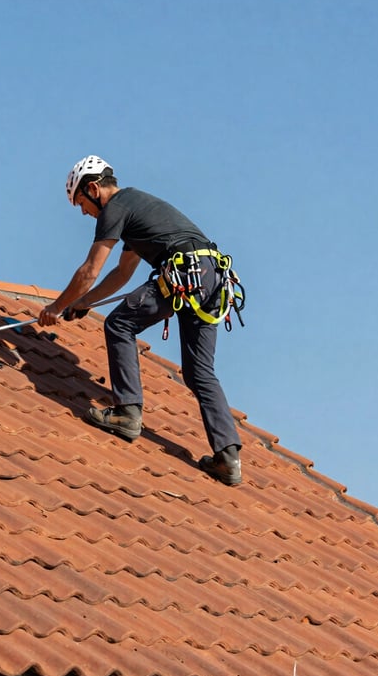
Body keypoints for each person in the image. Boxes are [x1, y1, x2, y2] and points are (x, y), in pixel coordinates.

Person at [38, 155, 242, 486]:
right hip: (212, 277)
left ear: (93, 189)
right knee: (199, 371)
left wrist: (57, 307)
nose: (83, 212)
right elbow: (122, 273)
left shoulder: (115, 207)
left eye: (81, 203)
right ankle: (228, 457)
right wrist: (83, 303)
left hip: (184, 272)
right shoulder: (137, 208)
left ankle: (127, 412)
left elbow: (91, 270)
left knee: (119, 324)